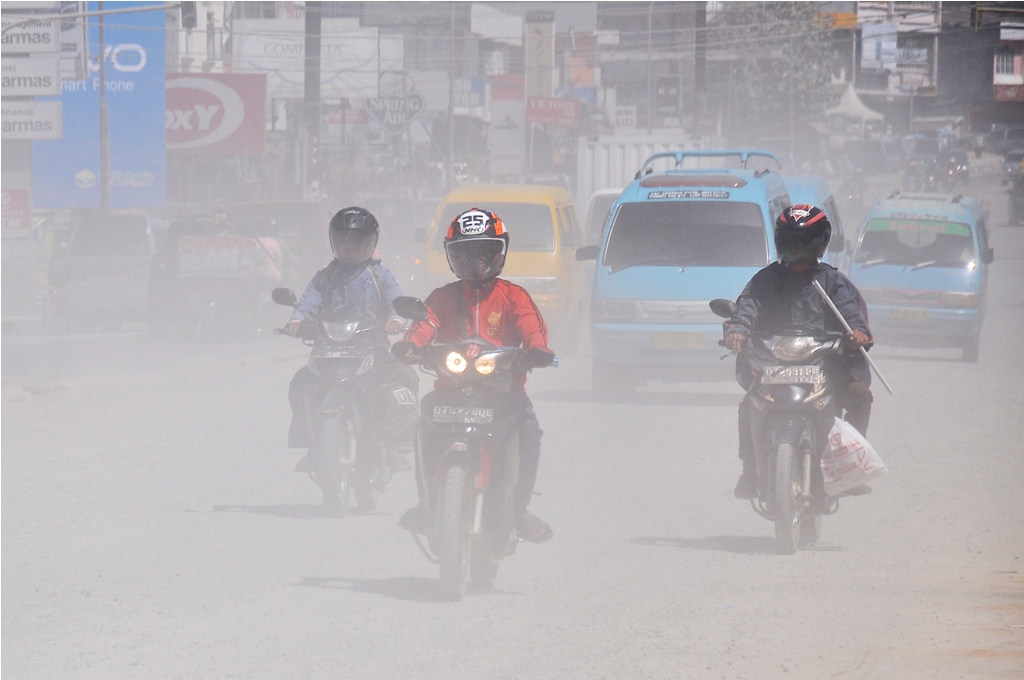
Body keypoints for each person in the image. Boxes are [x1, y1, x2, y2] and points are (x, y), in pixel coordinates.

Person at [392, 207, 556, 543]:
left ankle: (518, 510)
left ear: (499, 253)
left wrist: (537, 350)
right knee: (423, 420)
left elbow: (530, 326)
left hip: (503, 391)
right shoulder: (443, 297)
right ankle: (427, 503)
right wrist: (410, 345)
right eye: (464, 253)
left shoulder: (513, 296)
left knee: (530, 431)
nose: (474, 261)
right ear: (453, 256)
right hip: (452, 388)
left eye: (484, 252)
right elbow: (426, 323)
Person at [722, 204, 873, 500]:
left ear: (821, 244)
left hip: (826, 365)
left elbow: (851, 314)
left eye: (805, 242)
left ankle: (850, 467)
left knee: (860, 395)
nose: (798, 250)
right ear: (780, 243)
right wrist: (737, 329)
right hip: (773, 364)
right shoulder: (766, 280)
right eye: (791, 242)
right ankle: (750, 472)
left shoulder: (833, 282)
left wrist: (857, 334)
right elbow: (747, 308)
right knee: (748, 405)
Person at [283, 206, 418, 472]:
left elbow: (395, 301)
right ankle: (314, 444)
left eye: (358, 242)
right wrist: (297, 321)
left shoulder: (380, 275)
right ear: (334, 242)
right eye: (344, 241)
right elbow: (309, 300)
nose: (351, 248)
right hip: (328, 349)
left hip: (372, 348)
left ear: (371, 243)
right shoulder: (326, 276)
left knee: (404, 376)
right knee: (300, 382)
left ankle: (393, 445)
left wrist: (396, 320)